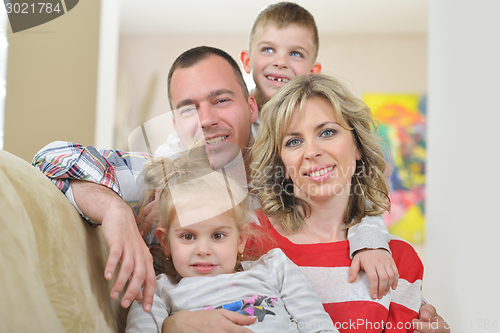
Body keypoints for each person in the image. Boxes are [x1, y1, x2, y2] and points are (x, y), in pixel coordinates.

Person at [33, 47, 446, 332]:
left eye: (221, 100)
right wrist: (116, 212)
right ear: (176, 124)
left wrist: (370, 237)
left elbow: (338, 191)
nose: (206, 119)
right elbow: (51, 157)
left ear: (252, 107)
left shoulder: (288, 177)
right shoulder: (164, 177)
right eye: (187, 109)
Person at [251, 73, 429, 332]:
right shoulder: (250, 241)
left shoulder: (400, 259)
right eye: (294, 141)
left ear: (357, 146)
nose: (312, 151)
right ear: (283, 164)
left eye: (327, 132)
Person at [126, 145, 337, 332]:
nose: (203, 249)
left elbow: (318, 326)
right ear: (165, 242)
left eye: (218, 235)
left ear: (240, 240)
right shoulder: (156, 291)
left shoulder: (274, 268)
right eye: (188, 236)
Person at [240, 2, 322, 110]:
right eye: (268, 50)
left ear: (312, 74)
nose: (281, 62)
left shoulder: (319, 120)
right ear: (247, 61)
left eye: (296, 54)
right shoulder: (232, 116)